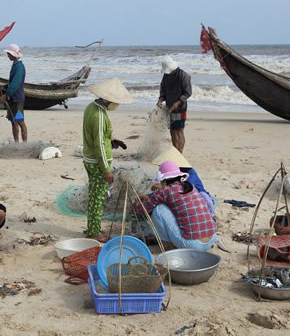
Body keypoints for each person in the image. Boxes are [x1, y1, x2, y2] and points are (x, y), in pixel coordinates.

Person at [82, 78, 133, 242]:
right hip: (97, 163)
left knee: (94, 195)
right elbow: (98, 145)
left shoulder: (92, 108)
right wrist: (106, 169)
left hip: (91, 159)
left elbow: (99, 138)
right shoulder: (99, 115)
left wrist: (111, 142)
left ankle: (92, 227)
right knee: (98, 198)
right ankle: (94, 232)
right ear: (107, 100)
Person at [132, 160, 217, 251]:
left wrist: (136, 203)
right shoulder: (190, 187)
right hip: (211, 239)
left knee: (159, 209)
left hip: (193, 245)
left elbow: (142, 209)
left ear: (163, 180)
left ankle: (168, 245)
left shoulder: (165, 191)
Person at [152, 146, 216, 221]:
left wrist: (162, 188)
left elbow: (186, 187)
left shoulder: (189, 172)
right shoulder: (169, 175)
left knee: (206, 199)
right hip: (181, 196)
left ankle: (212, 216)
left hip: (197, 193)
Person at [156, 55, 192, 153]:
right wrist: (160, 99)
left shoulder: (184, 76)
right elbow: (163, 89)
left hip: (180, 108)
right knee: (172, 130)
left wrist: (177, 103)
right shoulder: (166, 75)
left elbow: (187, 93)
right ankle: (175, 151)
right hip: (169, 107)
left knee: (179, 130)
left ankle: (180, 153)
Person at [0, 44, 27, 143]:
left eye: (8, 53)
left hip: (17, 99)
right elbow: (12, 82)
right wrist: (4, 87)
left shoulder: (19, 67)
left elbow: (15, 84)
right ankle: (17, 144)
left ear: (13, 54)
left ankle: (24, 144)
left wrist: (6, 95)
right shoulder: (16, 65)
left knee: (19, 121)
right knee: (13, 122)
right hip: (13, 99)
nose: (7, 55)